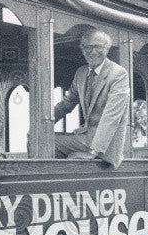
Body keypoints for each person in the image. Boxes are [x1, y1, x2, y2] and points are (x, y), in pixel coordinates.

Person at [53, 30, 131, 167]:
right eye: (88, 47)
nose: (93, 52)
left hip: (106, 145)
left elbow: (111, 116)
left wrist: (94, 151)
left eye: (98, 47)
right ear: (83, 50)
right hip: (87, 137)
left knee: (47, 142)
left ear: (107, 49)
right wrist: (43, 123)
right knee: (39, 138)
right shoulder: (81, 73)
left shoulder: (118, 74)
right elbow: (66, 104)